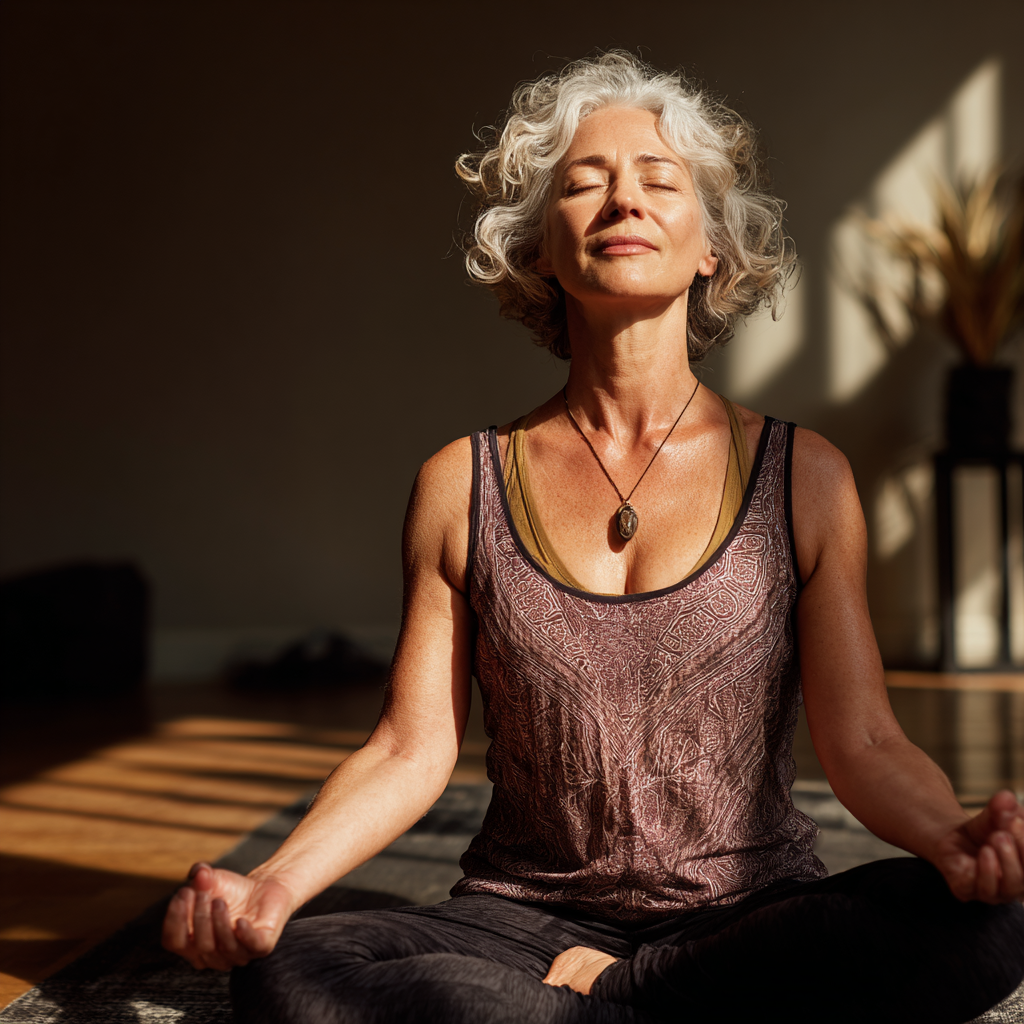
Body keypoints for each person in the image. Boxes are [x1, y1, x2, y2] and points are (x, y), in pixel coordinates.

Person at [162, 52, 1024, 1024]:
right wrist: (272, 886)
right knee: (291, 972)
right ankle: (648, 1006)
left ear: (711, 249)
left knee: (990, 926)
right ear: (538, 248)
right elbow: (409, 746)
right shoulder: (462, 483)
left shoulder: (806, 476)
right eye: (582, 183)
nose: (622, 200)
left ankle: (609, 1001)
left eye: (659, 182)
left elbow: (863, 740)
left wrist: (954, 841)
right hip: (518, 920)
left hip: (747, 911)